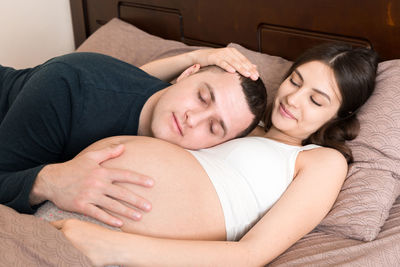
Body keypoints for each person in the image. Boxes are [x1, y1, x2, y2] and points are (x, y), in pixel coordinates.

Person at [52, 43, 379, 266]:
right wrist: (194, 57)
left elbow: (250, 255)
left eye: (316, 100)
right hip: (68, 201)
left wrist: (109, 247)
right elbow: (125, 88)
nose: (294, 100)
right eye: (295, 81)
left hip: (113, 246)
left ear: (338, 116)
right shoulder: (238, 120)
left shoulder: (321, 161)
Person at [0, 51, 266, 226]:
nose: (193, 119)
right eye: (202, 97)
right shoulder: (66, 87)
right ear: (186, 75)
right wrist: (47, 181)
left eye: (214, 127)